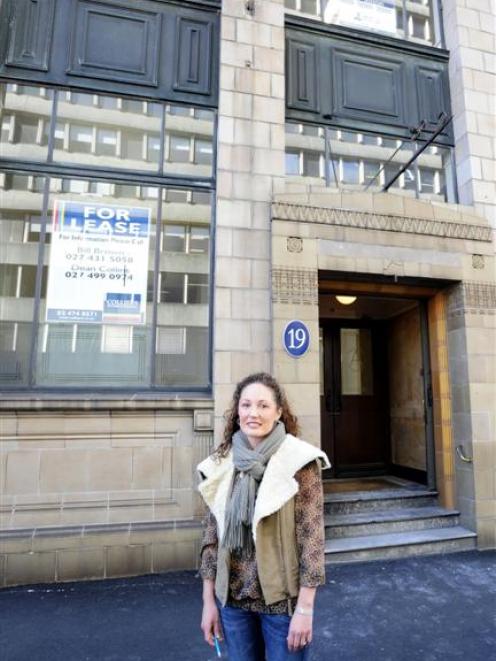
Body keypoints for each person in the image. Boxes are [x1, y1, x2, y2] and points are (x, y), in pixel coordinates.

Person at [198, 372, 330, 660]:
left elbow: (312, 540)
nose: (253, 413)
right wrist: (209, 601)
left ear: (279, 412)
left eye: (263, 405)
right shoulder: (222, 462)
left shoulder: (299, 461)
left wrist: (305, 609)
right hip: (231, 603)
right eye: (246, 405)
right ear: (237, 411)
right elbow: (211, 537)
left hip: (282, 606)